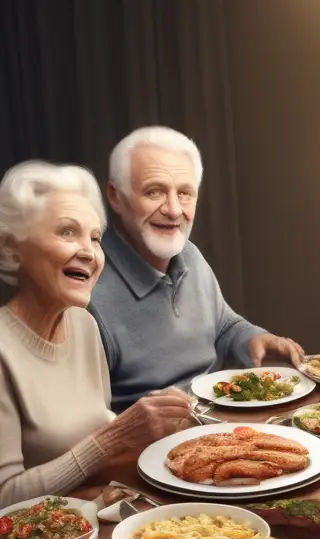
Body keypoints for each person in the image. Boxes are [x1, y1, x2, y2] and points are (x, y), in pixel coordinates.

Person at [0, 161, 192, 508]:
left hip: (92, 520)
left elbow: (95, 425)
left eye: (94, 238)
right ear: (11, 247)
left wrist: (152, 425)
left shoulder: (83, 324)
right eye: (67, 232)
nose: (89, 253)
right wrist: (115, 436)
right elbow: (4, 498)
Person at [89, 126, 304, 411]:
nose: (175, 210)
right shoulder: (87, 288)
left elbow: (225, 326)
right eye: (155, 192)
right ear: (116, 197)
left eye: (185, 193)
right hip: (149, 449)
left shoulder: (189, 254)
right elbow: (87, 429)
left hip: (221, 421)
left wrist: (254, 338)